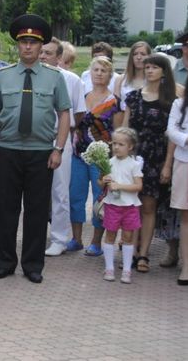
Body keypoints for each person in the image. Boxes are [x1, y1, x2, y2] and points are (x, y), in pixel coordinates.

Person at [0, 14, 71, 283]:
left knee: (36, 212)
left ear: (40, 46)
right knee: (5, 210)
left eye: (33, 43)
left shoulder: (55, 78)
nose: (27, 47)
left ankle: (33, 265)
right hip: (8, 150)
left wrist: (58, 149)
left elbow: (65, 113)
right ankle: (4, 262)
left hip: (41, 153)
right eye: (23, 41)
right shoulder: (4, 76)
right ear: (17, 45)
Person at [122, 53, 176, 273]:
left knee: (149, 205)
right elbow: (124, 129)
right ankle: (130, 250)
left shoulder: (170, 101)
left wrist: (167, 165)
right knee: (131, 204)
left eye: (155, 67)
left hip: (156, 156)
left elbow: (172, 135)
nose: (150, 71)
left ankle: (144, 252)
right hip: (134, 155)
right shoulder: (133, 97)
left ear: (164, 72)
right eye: (147, 67)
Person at [69, 56, 123, 254]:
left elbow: (118, 131)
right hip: (78, 155)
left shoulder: (114, 102)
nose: (99, 73)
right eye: (96, 70)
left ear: (110, 75)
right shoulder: (81, 97)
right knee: (75, 196)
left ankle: (96, 242)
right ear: (89, 73)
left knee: (101, 198)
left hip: (102, 158)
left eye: (104, 70)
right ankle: (75, 239)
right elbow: (73, 125)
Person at [40, 37, 87, 257]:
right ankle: (36, 234)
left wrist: (64, 136)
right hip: (32, 140)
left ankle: (59, 238)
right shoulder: (30, 76)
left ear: (59, 58)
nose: (43, 56)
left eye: (48, 53)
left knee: (60, 190)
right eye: (41, 52)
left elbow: (79, 112)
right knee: (35, 190)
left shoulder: (72, 80)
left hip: (60, 138)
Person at [100, 127, 143, 284]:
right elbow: (101, 183)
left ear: (130, 147)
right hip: (112, 205)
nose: (116, 147)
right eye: (114, 144)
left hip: (130, 206)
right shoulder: (108, 163)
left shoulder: (134, 164)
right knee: (110, 235)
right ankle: (109, 268)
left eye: (121, 144)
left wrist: (120, 186)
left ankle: (126, 270)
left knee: (127, 237)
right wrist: (103, 181)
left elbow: (138, 186)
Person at [167, 73, 188, 285]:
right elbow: (171, 130)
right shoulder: (180, 103)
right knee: (186, 215)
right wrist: (187, 139)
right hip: (185, 161)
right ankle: (187, 266)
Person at [115, 41, 151, 107]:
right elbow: (115, 107)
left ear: (149, 56)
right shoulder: (120, 79)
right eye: (135, 54)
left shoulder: (153, 81)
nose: (139, 57)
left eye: (143, 54)